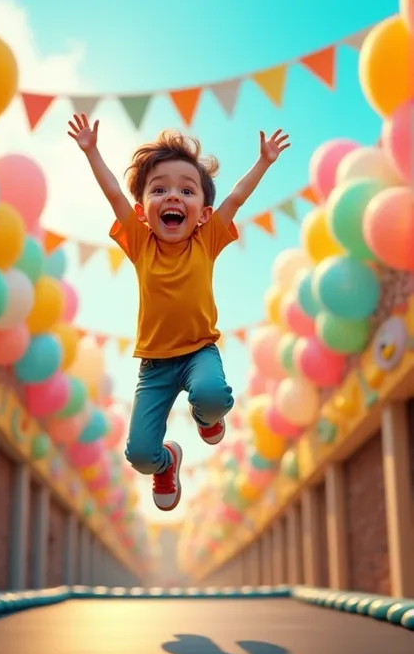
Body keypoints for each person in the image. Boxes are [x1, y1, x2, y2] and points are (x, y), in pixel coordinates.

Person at [68, 114, 290, 512]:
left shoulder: (207, 239)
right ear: (142, 211)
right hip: (153, 366)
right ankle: (166, 463)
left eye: (186, 191)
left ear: (204, 213)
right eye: (159, 189)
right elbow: (115, 195)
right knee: (138, 454)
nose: (172, 197)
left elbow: (236, 197)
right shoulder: (140, 242)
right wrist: (91, 151)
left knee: (212, 395)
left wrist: (264, 162)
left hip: (198, 351)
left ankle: (207, 418)